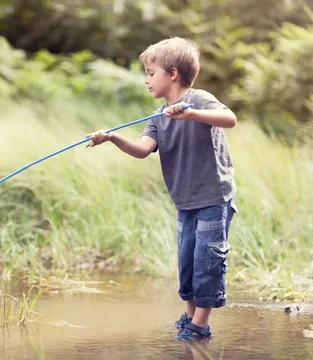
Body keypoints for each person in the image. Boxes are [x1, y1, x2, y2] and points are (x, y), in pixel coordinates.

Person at [85, 37, 238, 341]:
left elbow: (229, 118)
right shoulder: (158, 118)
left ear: (172, 74)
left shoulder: (200, 100)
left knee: (207, 262)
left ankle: (200, 325)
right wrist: (113, 138)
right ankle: (189, 315)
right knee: (186, 261)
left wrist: (191, 114)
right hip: (184, 201)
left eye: (150, 72)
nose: (146, 80)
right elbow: (143, 149)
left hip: (213, 198)